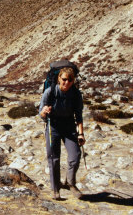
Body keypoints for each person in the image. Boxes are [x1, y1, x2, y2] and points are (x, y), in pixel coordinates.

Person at [39, 67, 85, 200]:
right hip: (53, 126)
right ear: (59, 78)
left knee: (75, 155)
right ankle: (55, 188)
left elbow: (79, 116)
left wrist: (81, 134)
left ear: (73, 80)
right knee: (53, 157)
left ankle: (70, 183)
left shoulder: (76, 94)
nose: (67, 82)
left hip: (69, 126)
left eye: (70, 80)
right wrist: (44, 112)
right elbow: (40, 114)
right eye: (64, 79)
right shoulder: (50, 92)